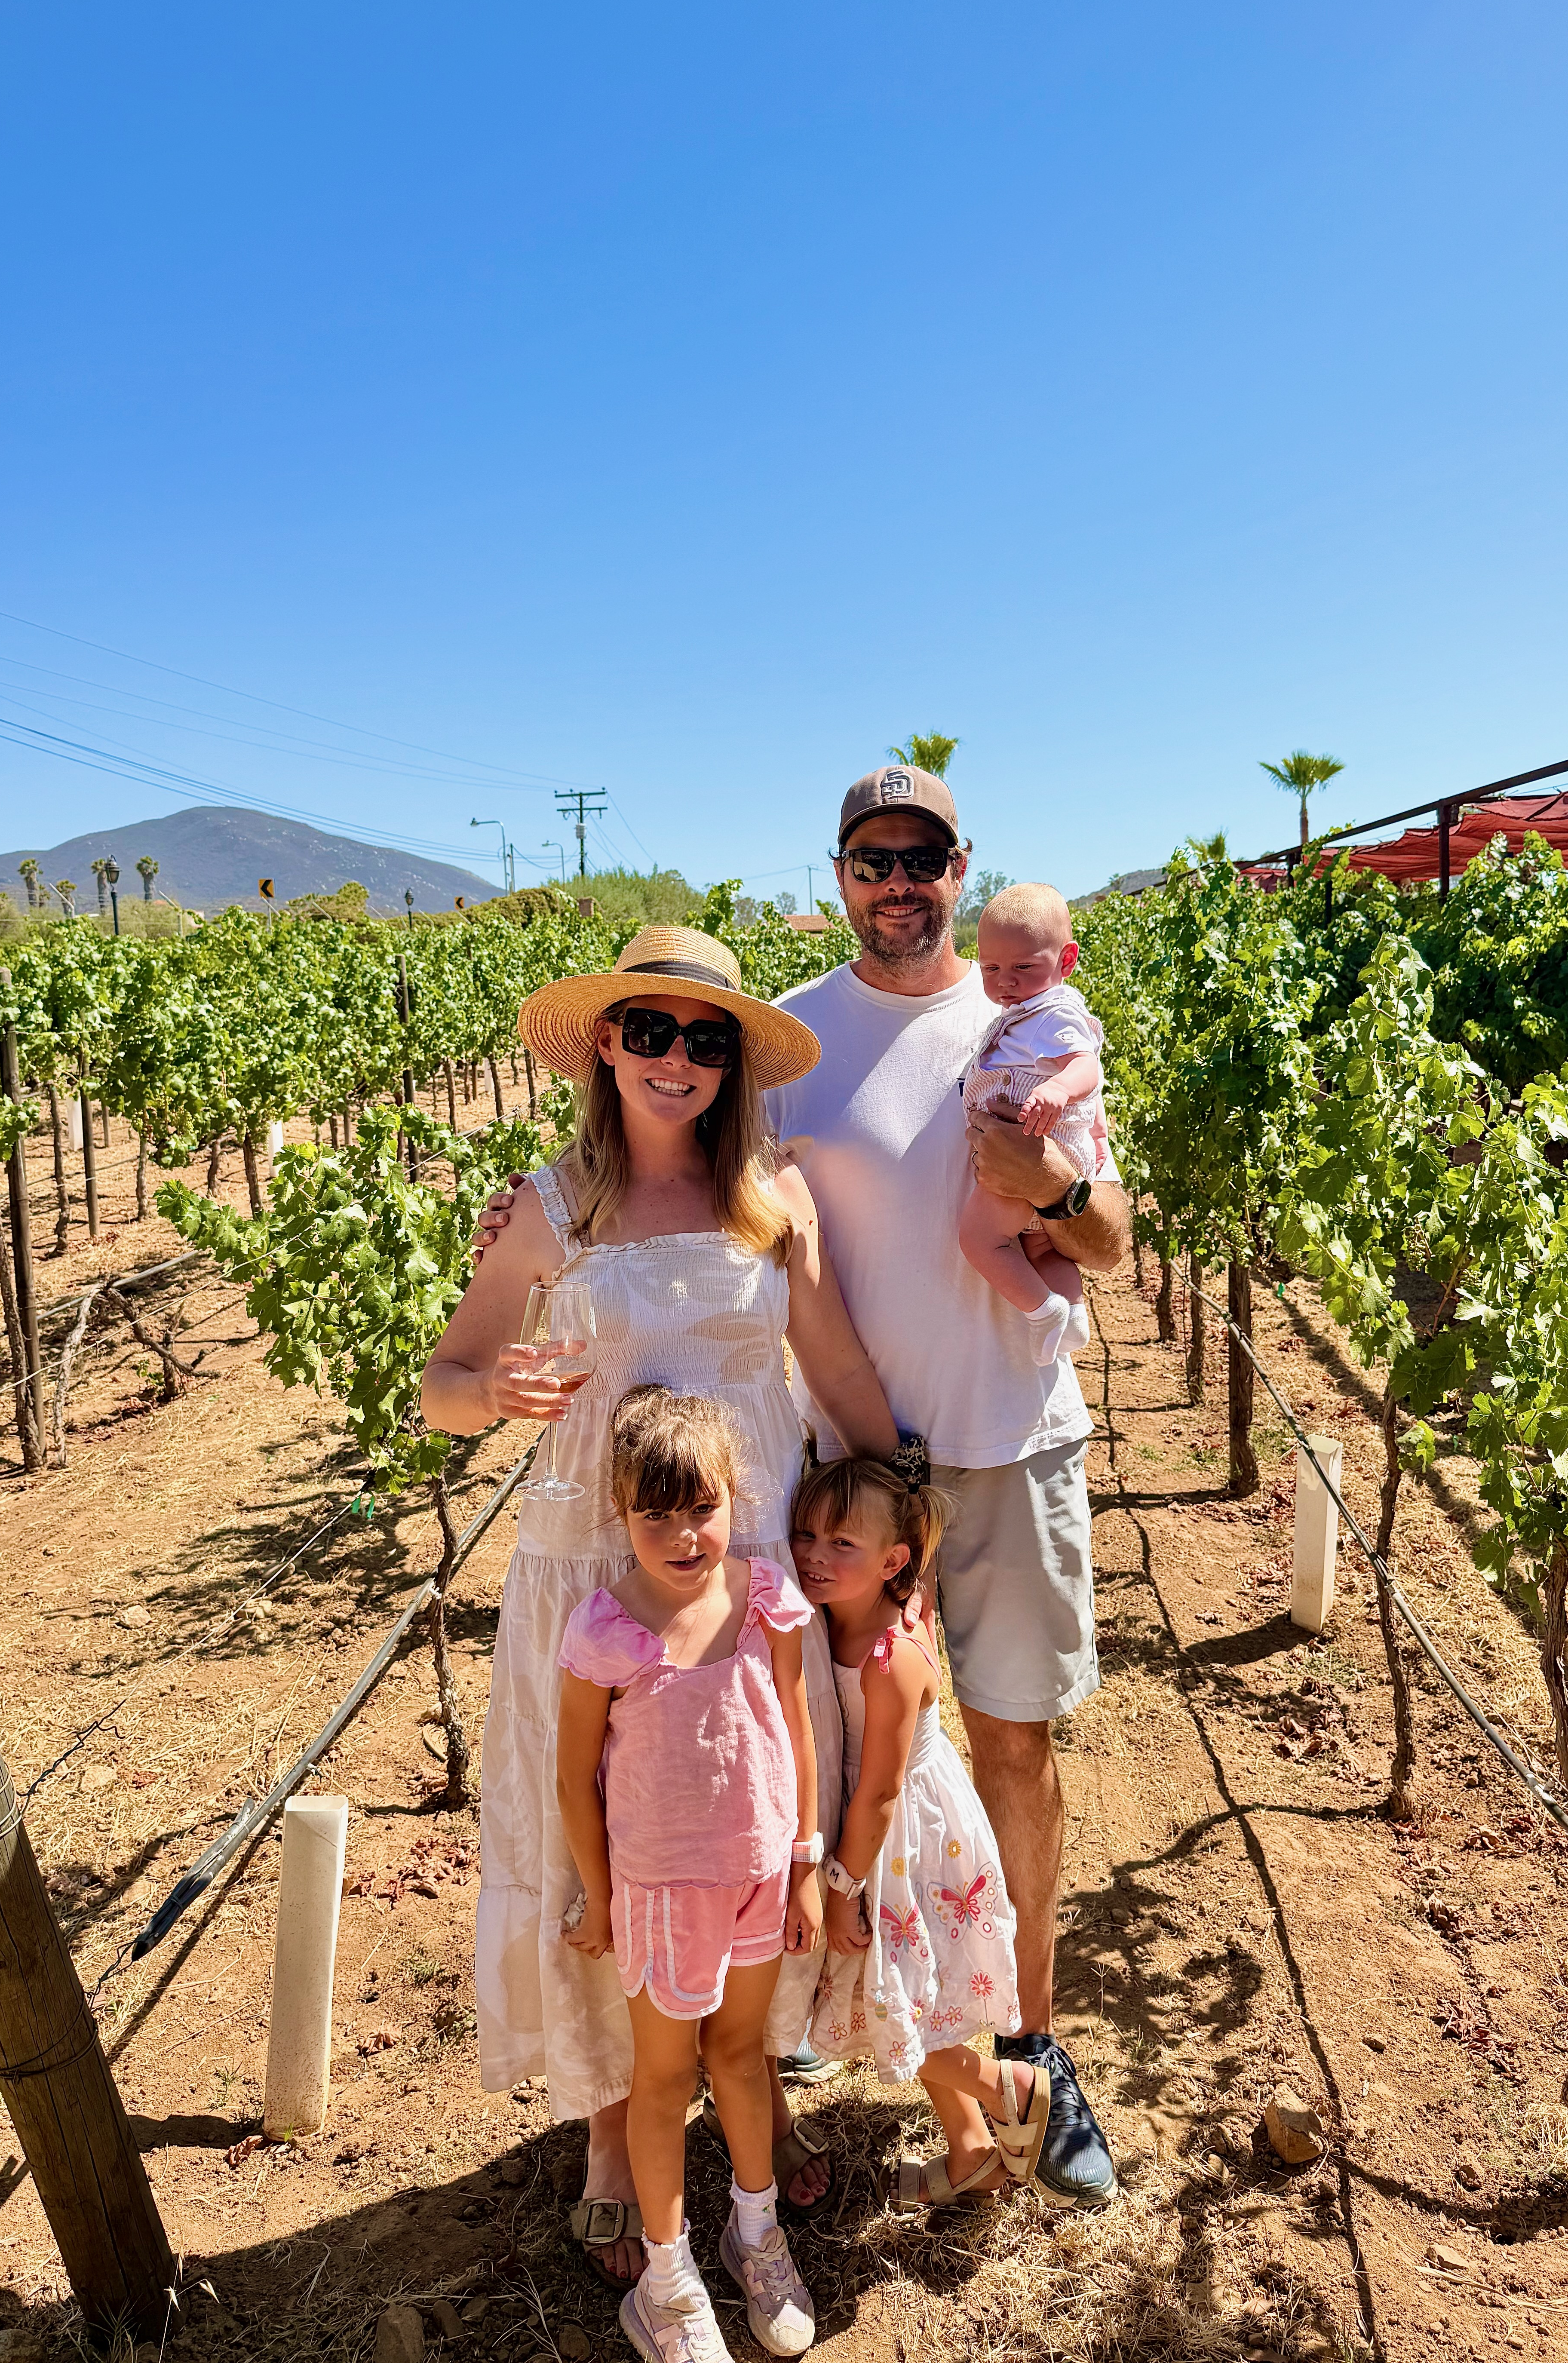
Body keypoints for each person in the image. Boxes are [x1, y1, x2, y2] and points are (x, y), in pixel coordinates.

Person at [422, 923, 899, 2288]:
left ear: (733, 1062)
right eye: (650, 1030)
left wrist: (907, 1509)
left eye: (704, 1039)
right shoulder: (548, 1207)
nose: (676, 1059)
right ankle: (606, 2118)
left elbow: (835, 1368)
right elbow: (444, 1385)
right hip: (598, 1575)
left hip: (747, 1577)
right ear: (607, 1045)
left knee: (752, 1812)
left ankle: (755, 2076)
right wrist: (490, 1392)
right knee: (612, 1835)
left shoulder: (772, 1199)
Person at [762, 763, 1130, 2206]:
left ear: (960, 869)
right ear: (840, 874)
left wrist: (1052, 1188)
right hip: (854, 1470)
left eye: (922, 857)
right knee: (851, 1756)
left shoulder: (1025, 1013)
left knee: (1013, 1754)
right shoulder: (790, 1039)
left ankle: (1030, 2049)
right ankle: (844, 2011)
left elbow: (1110, 1237)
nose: (897, 882)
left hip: (1016, 1440)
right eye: (873, 859)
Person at [557, 1387, 822, 2361]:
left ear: (733, 1497)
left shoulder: (765, 1600)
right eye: (655, 1514)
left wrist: (805, 1861)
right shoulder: (605, 1632)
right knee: (664, 2079)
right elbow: (574, 1779)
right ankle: (665, 2286)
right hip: (661, 1896)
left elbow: (795, 1728)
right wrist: (600, 1895)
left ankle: (755, 2235)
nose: (682, 1536)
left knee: (742, 2057)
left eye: (702, 1508)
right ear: (619, 1512)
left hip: (758, 1876)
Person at [792, 1455, 1053, 2209]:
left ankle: (1007, 2084)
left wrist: (840, 1887)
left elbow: (880, 1792)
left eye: (842, 1543)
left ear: (893, 1562)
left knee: (888, 2000)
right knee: (909, 1992)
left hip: (901, 1840)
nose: (815, 1554)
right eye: (805, 1534)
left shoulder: (889, 1659)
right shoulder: (832, 1620)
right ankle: (970, 2149)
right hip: (878, 1827)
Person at [958, 883, 1107, 1364]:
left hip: (1028, 1152)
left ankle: (1044, 1312)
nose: (1005, 981)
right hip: (1051, 1152)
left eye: (1023, 967)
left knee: (981, 1240)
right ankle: (1075, 1314)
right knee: (1043, 1248)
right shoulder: (1029, 1013)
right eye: (991, 969)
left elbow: (1087, 1067)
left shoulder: (1052, 1014)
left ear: (1067, 960)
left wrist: (1060, 1089)